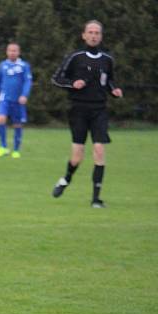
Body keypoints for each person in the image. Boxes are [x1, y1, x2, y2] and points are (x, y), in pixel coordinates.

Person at [51, 20, 123, 208]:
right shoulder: (75, 57)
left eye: (97, 32)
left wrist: (114, 90)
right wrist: (72, 84)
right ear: (84, 35)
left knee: (99, 150)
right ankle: (66, 179)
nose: (93, 35)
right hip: (78, 110)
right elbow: (57, 79)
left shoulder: (108, 59)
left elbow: (109, 81)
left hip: (99, 110)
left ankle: (96, 199)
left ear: (101, 36)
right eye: (90, 32)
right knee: (77, 156)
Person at [0, 42, 32, 159]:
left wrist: (24, 95)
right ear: (7, 52)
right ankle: (3, 147)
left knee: (17, 124)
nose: (12, 53)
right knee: (0, 119)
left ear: (18, 52)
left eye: (14, 51)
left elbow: (27, 82)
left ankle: (16, 149)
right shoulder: (2, 65)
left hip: (18, 100)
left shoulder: (24, 66)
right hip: (4, 99)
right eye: (10, 50)